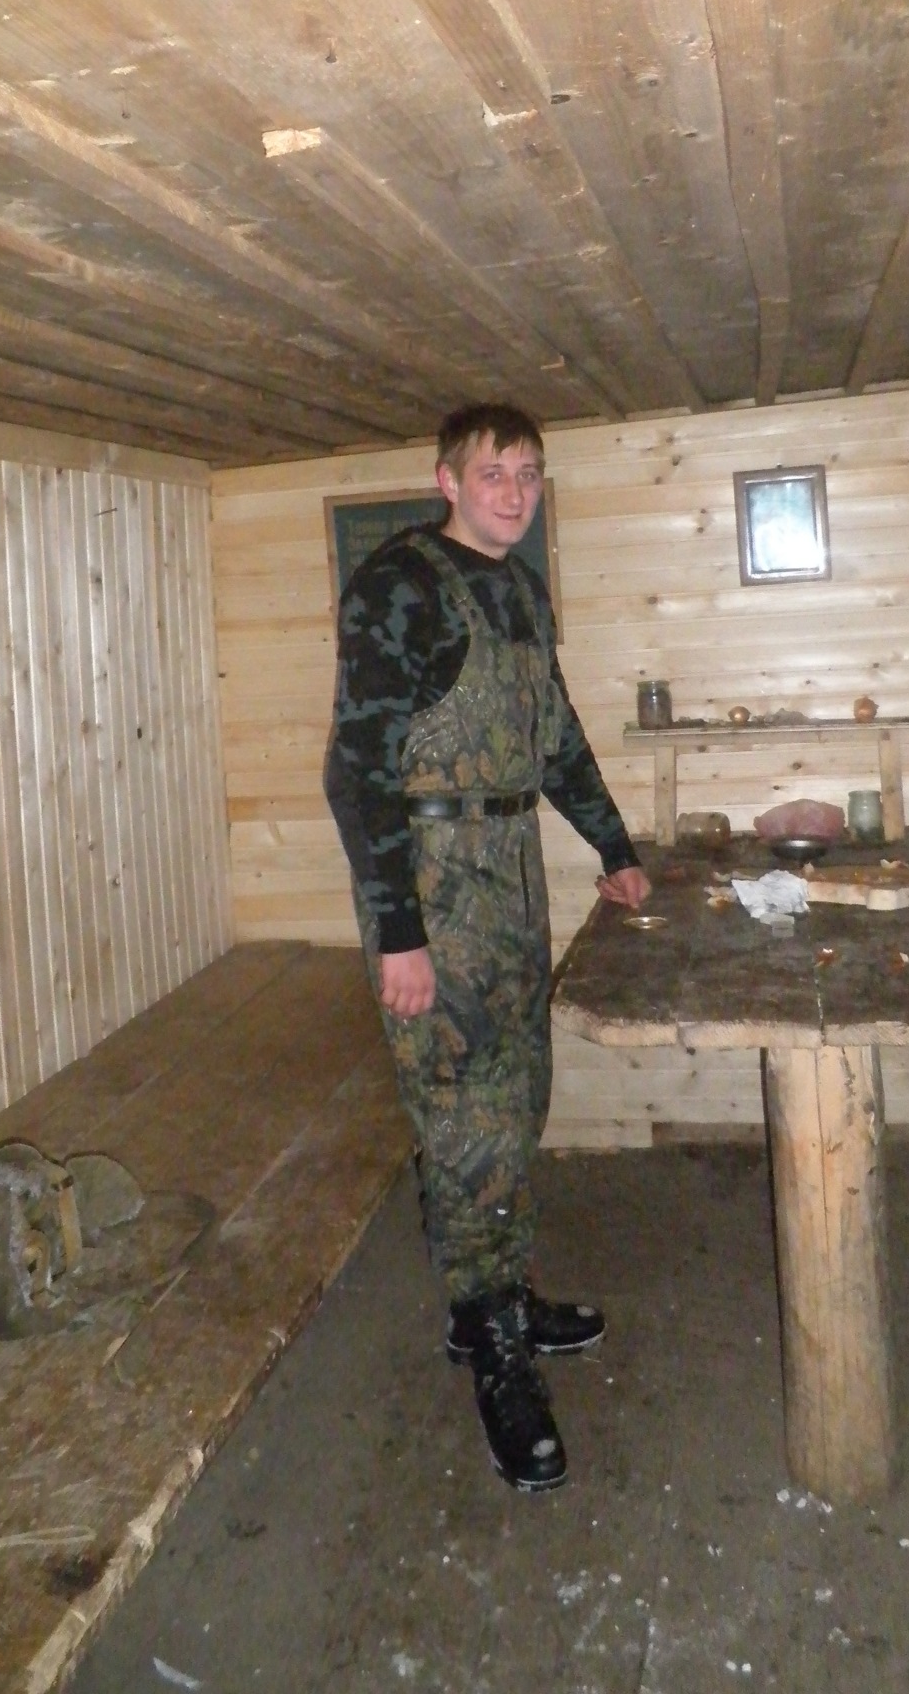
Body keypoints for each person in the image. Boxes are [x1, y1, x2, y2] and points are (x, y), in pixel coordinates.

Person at [325, 403, 652, 1490]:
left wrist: (613, 844)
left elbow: (554, 735)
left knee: (514, 1096)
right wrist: (400, 934)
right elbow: (356, 771)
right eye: (493, 472)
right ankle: (496, 1353)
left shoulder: (520, 590)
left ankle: (493, 1297)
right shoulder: (399, 586)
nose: (514, 492)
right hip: (430, 883)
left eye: (529, 473)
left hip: (510, 873)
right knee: (462, 1114)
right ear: (447, 481)